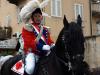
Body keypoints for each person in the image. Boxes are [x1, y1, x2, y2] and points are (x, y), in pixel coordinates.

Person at [19, 0, 55, 74]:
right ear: (32, 17)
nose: (38, 18)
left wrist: (52, 44)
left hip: (44, 53)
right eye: (35, 16)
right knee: (30, 69)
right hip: (32, 52)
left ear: (41, 17)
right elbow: (29, 43)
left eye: (39, 16)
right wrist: (42, 47)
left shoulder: (45, 29)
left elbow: (49, 40)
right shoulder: (27, 27)